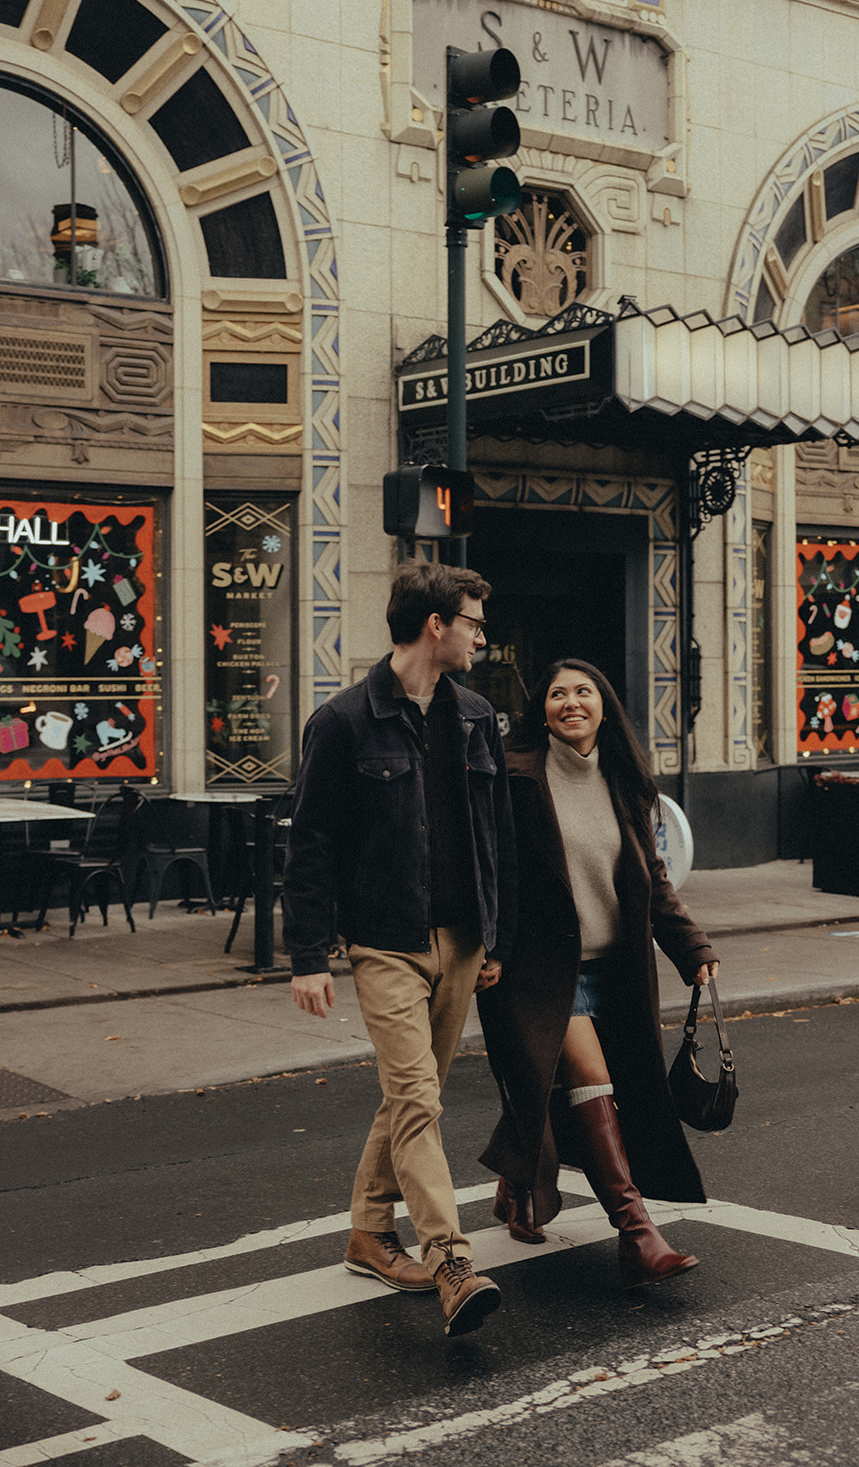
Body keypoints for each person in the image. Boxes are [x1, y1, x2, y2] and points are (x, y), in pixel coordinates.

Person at [283, 561, 516, 1337]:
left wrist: (495, 935)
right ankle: (450, 1259)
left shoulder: (478, 716)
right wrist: (308, 955)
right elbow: (312, 844)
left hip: (461, 939)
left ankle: (366, 1231)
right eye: (475, 622)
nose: (484, 636)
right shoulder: (345, 720)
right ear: (436, 625)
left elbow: (497, 838)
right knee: (418, 1098)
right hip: (385, 941)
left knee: (410, 1096)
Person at [477, 658, 719, 1289]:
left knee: (546, 1083)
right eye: (557, 694)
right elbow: (492, 872)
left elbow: (653, 881)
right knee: (592, 1076)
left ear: (604, 704)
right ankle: (637, 1232)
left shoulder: (624, 783)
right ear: (544, 710)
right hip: (540, 971)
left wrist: (691, 949)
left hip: (616, 969)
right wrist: (489, 948)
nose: (571, 703)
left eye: (584, 691)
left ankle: (515, 1183)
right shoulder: (518, 777)